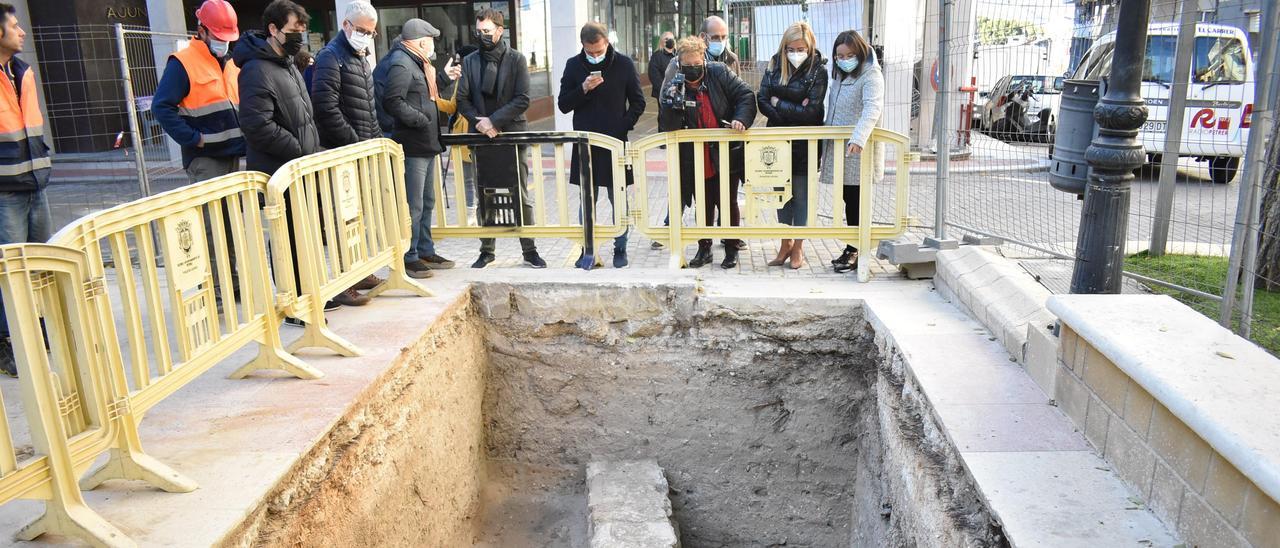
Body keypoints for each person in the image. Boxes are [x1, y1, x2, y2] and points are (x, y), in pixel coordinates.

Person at [234, 0, 329, 318]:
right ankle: (294, 305)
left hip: (300, 166)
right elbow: (258, 126)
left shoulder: (288, 63)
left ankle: (311, 294)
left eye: (303, 32)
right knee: (287, 240)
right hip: (280, 169)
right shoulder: (255, 70)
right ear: (273, 29)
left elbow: (303, 115)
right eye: (293, 31)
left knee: (306, 234)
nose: (299, 38)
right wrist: (299, 149)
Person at [152, 0, 245, 295]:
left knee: (229, 226)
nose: (223, 44)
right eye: (218, 37)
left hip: (231, 154)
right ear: (201, 30)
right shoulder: (182, 62)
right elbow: (162, 107)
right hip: (205, 159)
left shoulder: (229, 61)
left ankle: (233, 283)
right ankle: (219, 288)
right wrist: (194, 139)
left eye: (227, 38)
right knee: (210, 227)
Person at [373, 18, 463, 279]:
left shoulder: (418, 63)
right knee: (413, 204)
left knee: (426, 201)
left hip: (425, 143)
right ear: (422, 41)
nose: (433, 44)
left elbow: (425, 96)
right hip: (413, 144)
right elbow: (393, 101)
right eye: (431, 40)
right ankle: (409, 255)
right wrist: (419, 120)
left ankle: (425, 249)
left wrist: (443, 78)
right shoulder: (402, 63)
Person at [456, 8, 546, 269]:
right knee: (485, 193)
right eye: (479, 31)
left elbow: (523, 99)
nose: (482, 36)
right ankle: (487, 250)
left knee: (520, 194)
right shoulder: (471, 61)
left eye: (487, 31)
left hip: (511, 135)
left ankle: (530, 250)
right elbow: (462, 98)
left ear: (499, 30)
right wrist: (481, 124)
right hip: (482, 137)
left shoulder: (516, 59)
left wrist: (493, 121)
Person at [657, 36, 755, 269]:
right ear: (680, 63)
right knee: (703, 201)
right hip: (695, 154)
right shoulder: (675, 81)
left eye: (696, 65)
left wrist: (740, 119)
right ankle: (704, 248)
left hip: (724, 151)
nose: (693, 70)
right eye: (687, 66)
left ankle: (731, 248)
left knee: (727, 201)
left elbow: (746, 95)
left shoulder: (719, 72)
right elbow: (668, 126)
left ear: (704, 59)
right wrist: (672, 103)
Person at [310, 0, 385, 299]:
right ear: (346, 25)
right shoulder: (331, 58)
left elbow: (368, 109)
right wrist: (356, 143)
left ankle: (359, 270)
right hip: (342, 152)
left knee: (357, 216)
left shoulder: (361, 58)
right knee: (341, 217)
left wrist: (377, 142)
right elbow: (326, 109)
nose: (366, 36)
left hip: (361, 151)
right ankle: (344, 281)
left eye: (371, 32)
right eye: (362, 30)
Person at [557, 22, 645, 268]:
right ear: (583, 46)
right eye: (590, 52)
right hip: (585, 144)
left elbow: (638, 103)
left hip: (616, 143)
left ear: (607, 42)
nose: (595, 56)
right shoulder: (574, 65)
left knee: (618, 199)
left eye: (599, 50)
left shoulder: (624, 64)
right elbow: (563, 104)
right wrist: (583, 88)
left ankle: (621, 248)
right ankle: (588, 249)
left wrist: (622, 126)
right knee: (587, 199)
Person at [0, 3, 49, 376]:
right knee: (9, 273)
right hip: (5, 193)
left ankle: (41, 335)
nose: (22, 32)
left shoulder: (23, 73)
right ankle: (10, 344)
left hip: (36, 184)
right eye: (15, 26)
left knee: (40, 266)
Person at [758, 21, 827, 270]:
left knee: (801, 196)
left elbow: (811, 113)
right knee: (781, 196)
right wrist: (790, 110)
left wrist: (779, 103)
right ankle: (784, 244)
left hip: (805, 143)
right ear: (784, 46)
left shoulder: (818, 71)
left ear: (809, 47)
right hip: (777, 141)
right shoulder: (775, 64)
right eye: (791, 48)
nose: (796, 53)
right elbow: (762, 99)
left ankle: (798, 247)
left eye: (801, 48)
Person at [820, 30, 883, 274]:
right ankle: (852, 246)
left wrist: (858, 138)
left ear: (860, 53)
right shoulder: (840, 76)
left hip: (857, 151)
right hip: (840, 150)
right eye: (839, 55)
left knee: (857, 200)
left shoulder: (871, 75)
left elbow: (872, 108)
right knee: (848, 198)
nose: (844, 59)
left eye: (849, 55)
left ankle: (856, 249)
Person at [647, 31, 675, 99]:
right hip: (662, 93)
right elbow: (654, 76)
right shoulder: (656, 56)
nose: (669, 41)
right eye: (666, 39)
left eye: (671, 39)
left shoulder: (678, 55)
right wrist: (664, 90)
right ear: (662, 41)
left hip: (677, 92)